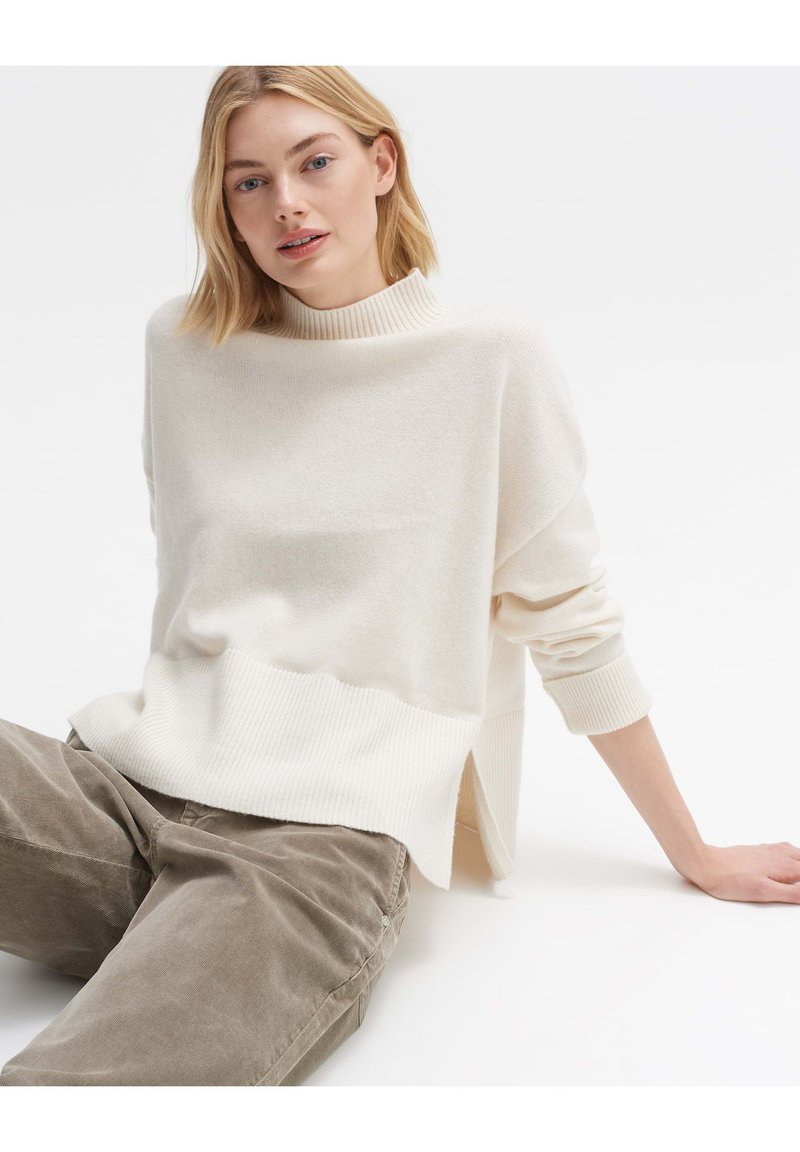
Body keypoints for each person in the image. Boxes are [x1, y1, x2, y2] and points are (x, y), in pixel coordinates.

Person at [1, 65, 798, 1088]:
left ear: (381, 163)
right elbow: (194, 578)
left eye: (314, 163)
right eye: (249, 182)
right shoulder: (184, 347)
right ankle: (160, 929)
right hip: (118, 789)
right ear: (224, 207)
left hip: (313, 842)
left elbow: (571, 622)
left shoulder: (489, 358)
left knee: (79, 1096)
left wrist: (694, 851)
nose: (286, 203)